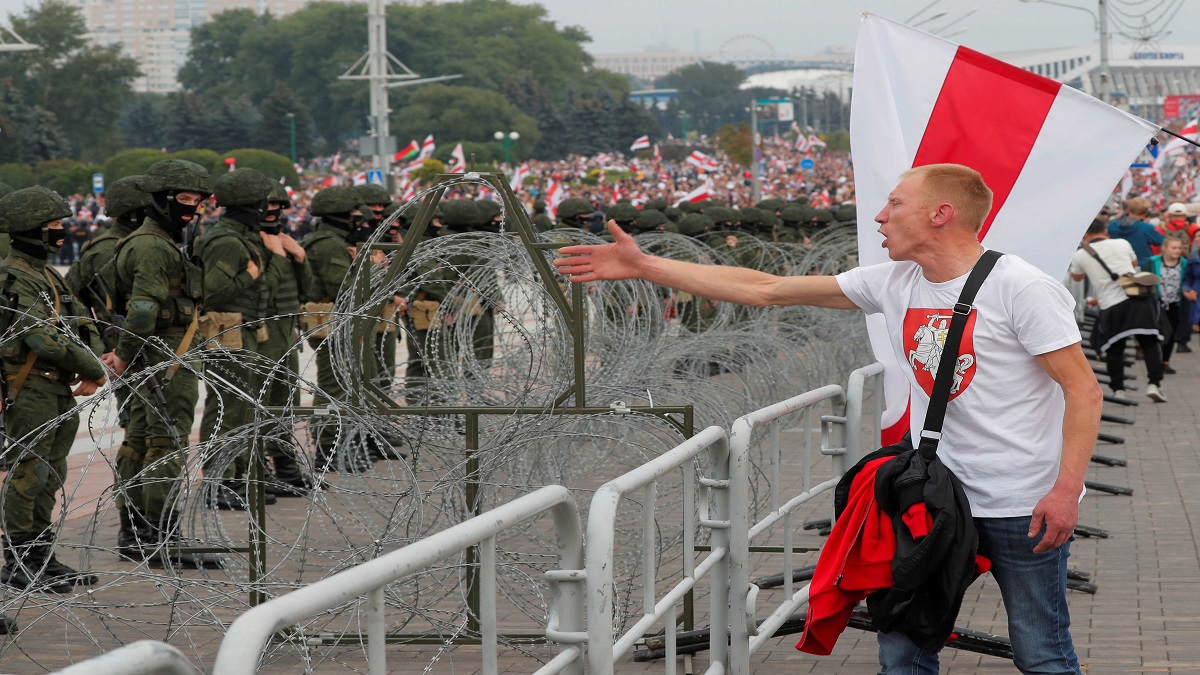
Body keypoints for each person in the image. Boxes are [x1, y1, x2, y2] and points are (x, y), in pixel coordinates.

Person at [556, 163, 1100, 675]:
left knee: (1040, 651)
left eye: (895, 203)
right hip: (933, 500)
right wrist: (644, 266)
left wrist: (1065, 489)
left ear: (940, 214)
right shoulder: (895, 281)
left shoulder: (1021, 287)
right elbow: (764, 289)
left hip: (1019, 504)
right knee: (904, 648)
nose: (880, 216)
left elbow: (1083, 390)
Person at [103, 159, 223, 569]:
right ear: (159, 201)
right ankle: (161, 533)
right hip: (164, 357)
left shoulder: (158, 242)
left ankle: (136, 530)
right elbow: (141, 310)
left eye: (197, 201)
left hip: (155, 355)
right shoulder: (153, 245)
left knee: (141, 441)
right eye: (183, 200)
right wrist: (123, 353)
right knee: (163, 443)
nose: (191, 208)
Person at [0, 187, 106, 597]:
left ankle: (42, 555)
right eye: (54, 227)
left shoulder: (44, 275)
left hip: (56, 386)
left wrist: (92, 362)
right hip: (29, 387)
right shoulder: (13, 277)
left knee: (52, 472)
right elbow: (41, 339)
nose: (63, 233)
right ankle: (19, 559)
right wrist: (92, 366)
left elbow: (81, 322)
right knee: (30, 472)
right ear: (31, 230)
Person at [194, 168, 281, 510]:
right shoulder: (227, 241)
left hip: (242, 329)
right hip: (225, 330)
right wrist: (248, 275)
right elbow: (213, 292)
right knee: (227, 409)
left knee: (243, 408)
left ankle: (238, 475)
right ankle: (220, 480)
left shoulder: (242, 237)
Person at [1070, 218, 1168, 402]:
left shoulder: (1081, 255)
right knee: (1149, 344)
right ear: (1105, 230)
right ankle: (1154, 384)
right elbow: (1134, 262)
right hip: (1138, 298)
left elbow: (1076, 277)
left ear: (1086, 235)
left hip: (1111, 305)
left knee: (1115, 349)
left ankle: (1119, 389)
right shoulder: (1122, 243)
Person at [1147, 232, 1189, 374]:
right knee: (1156, 333)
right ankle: (1155, 361)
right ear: (1164, 248)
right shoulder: (1153, 262)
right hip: (1157, 303)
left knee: (1171, 333)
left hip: (1175, 304)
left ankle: (1165, 361)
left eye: (1179, 248)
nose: (1177, 251)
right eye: (1174, 248)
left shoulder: (1184, 263)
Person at [1108, 197, 1163, 268]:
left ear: (1129, 210)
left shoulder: (1113, 225)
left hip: (1117, 265)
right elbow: (1162, 241)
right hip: (1143, 266)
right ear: (1146, 212)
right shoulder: (1147, 228)